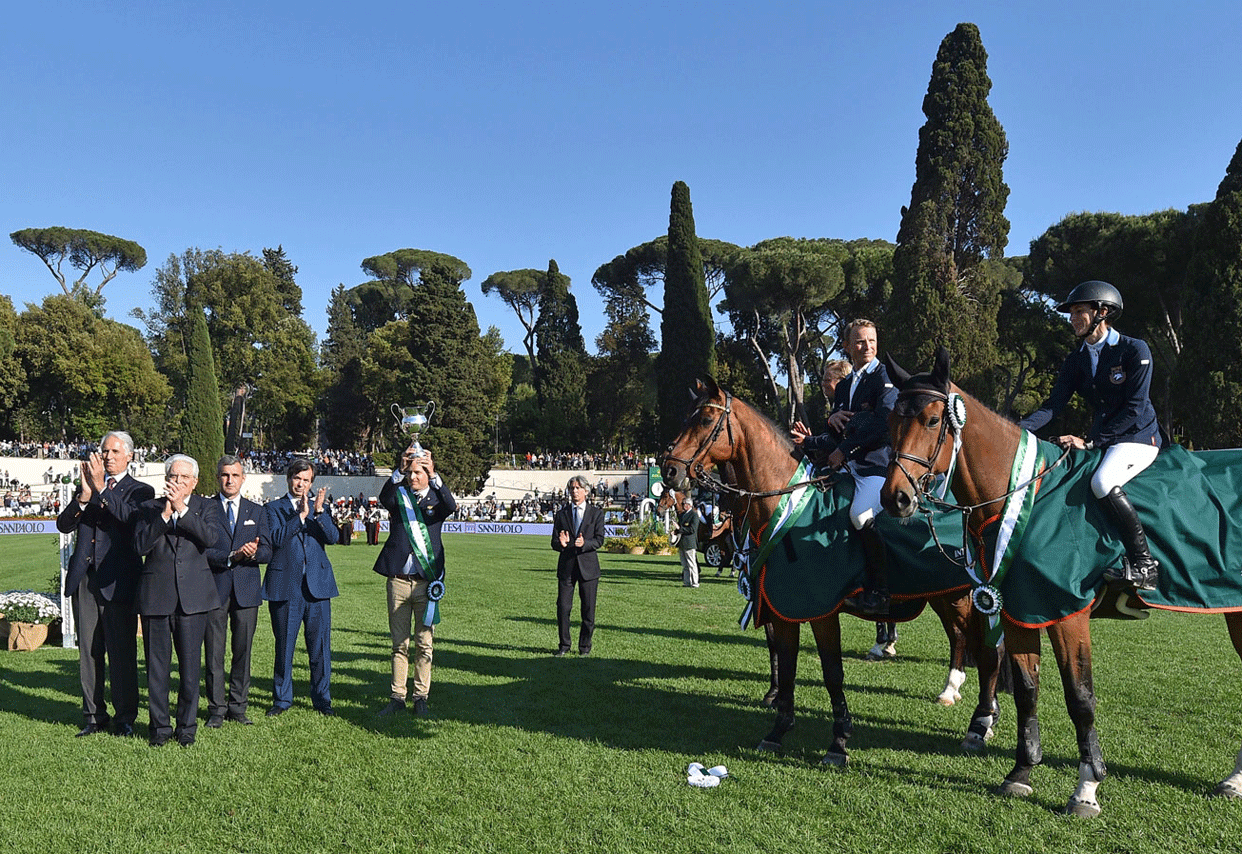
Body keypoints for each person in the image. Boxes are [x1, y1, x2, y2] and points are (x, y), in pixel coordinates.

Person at [1019, 280, 1164, 592]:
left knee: (1101, 482)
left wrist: (1091, 442)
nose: (1072, 318)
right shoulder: (1077, 359)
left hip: (1138, 437)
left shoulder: (1134, 349)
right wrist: (1015, 429)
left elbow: (1135, 408)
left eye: (1079, 312)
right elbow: (1053, 406)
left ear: (1103, 312)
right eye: (1071, 313)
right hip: (1104, 439)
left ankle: (1144, 565)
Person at [790, 321, 897, 615]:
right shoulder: (847, 385)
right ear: (848, 346)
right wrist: (816, 435)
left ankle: (880, 592)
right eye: (860, 342)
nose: (867, 346)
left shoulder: (884, 378)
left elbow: (881, 425)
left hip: (874, 468)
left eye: (872, 340)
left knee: (860, 515)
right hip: (845, 468)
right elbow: (839, 430)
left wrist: (843, 450)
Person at [56, 430, 154, 738]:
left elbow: (131, 521)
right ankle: (94, 716)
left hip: (119, 580)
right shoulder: (88, 487)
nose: (107, 456)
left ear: (129, 456)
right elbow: (64, 524)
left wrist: (101, 489)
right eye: (104, 451)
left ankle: (125, 716)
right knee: (89, 651)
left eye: (113, 451)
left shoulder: (141, 491)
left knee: (122, 651)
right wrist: (84, 497)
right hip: (86, 579)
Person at [133, 455, 227, 746]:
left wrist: (182, 509)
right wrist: (164, 515)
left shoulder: (206, 507)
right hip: (156, 597)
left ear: (195, 482)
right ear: (166, 478)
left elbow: (211, 538)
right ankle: (159, 729)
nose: (179, 481)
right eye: (174, 476)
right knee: (157, 669)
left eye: (185, 478)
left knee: (189, 669)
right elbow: (140, 545)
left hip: (193, 600)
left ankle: (187, 728)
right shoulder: (149, 508)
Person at [373, 444, 457, 717]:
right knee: (399, 644)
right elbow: (384, 497)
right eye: (410, 472)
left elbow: (451, 505)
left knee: (424, 643)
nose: (413, 477)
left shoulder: (436, 499)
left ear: (427, 474)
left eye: (418, 472)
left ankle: (421, 696)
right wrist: (398, 468)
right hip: (398, 581)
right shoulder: (400, 498)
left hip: (425, 583)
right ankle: (397, 696)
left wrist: (435, 475)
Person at [262, 458, 340, 716]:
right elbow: (276, 539)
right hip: (286, 587)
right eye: (298, 478)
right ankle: (282, 700)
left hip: (317, 588)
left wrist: (318, 513)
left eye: (306, 480)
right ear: (289, 478)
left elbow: (333, 537)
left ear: (311, 483)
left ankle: (321, 699)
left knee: (320, 648)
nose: (301, 484)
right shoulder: (273, 508)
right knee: (284, 646)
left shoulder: (320, 509)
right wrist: (300, 517)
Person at [205, 455, 271, 727]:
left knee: (242, 651)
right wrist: (231, 556)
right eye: (224, 475)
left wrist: (253, 553)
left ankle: (238, 706)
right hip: (214, 588)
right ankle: (216, 709)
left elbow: (268, 550)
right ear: (218, 477)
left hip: (246, 590)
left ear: (243, 479)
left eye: (234, 475)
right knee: (214, 652)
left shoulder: (257, 511)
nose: (229, 480)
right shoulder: (206, 509)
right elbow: (202, 550)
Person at [550, 475, 606, 656]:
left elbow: (599, 540)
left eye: (577, 488)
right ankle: (564, 646)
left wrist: (586, 544)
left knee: (588, 610)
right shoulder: (562, 514)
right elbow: (554, 542)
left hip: (588, 569)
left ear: (586, 491)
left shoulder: (596, 513)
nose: (574, 491)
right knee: (563, 608)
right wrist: (561, 544)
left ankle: (584, 648)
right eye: (572, 488)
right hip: (566, 568)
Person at [677, 497, 703, 588]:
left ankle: (695, 582)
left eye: (685, 504)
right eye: (683, 504)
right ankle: (687, 582)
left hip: (689, 542)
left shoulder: (694, 515)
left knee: (692, 564)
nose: (683, 506)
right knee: (685, 565)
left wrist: (679, 529)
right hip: (682, 543)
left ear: (689, 505)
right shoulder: (682, 515)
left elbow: (692, 529)